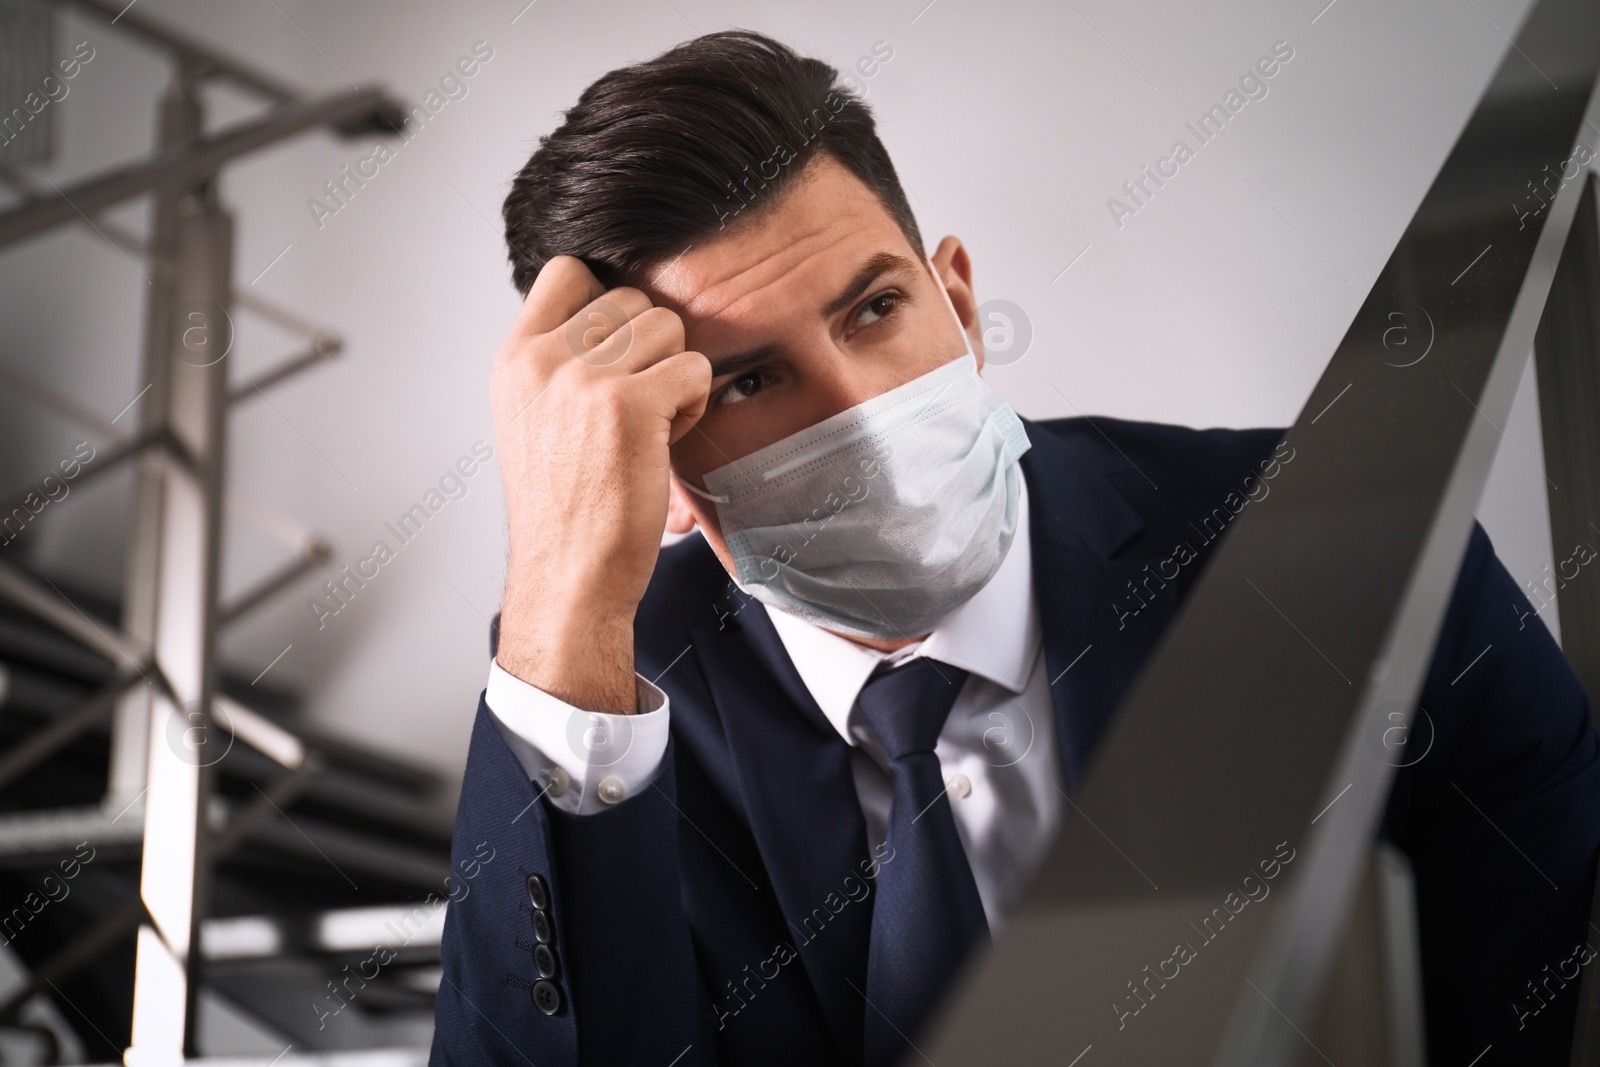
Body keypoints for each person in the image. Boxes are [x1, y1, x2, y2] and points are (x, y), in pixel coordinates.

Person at [430, 29, 1600, 1066]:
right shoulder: (605, 701)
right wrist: (558, 596)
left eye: (874, 308)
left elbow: (1555, 981)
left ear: (959, 296)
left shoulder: (1336, 536)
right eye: (745, 378)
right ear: (663, 455)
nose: (856, 412)